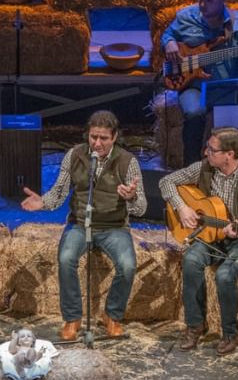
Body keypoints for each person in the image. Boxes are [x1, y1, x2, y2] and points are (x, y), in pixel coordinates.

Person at [20, 110, 145, 340]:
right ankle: (72, 318)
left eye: (103, 138)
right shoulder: (75, 155)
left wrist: (131, 198)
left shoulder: (128, 161)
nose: (97, 143)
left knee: (127, 265)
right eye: (93, 137)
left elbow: (142, 208)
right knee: (66, 258)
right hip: (80, 223)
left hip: (114, 226)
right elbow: (58, 192)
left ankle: (113, 315)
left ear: (114, 137)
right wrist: (43, 203)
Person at [159, 126, 238, 356]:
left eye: (212, 150)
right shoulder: (204, 168)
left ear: (229, 155)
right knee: (191, 259)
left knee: (224, 275)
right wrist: (181, 207)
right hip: (212, 236)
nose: (205, 153)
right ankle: (195, 325)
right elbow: (166, 182)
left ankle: (230, 334)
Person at [160, 0, 238, 166]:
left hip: (227, 87)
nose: (202, 4)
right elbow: (168, 34)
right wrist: (169, 43)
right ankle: (191, 168)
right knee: (194, 113)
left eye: (209, 0)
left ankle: (233, 165)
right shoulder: (185, 16)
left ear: (222, 0)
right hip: (194, 85)